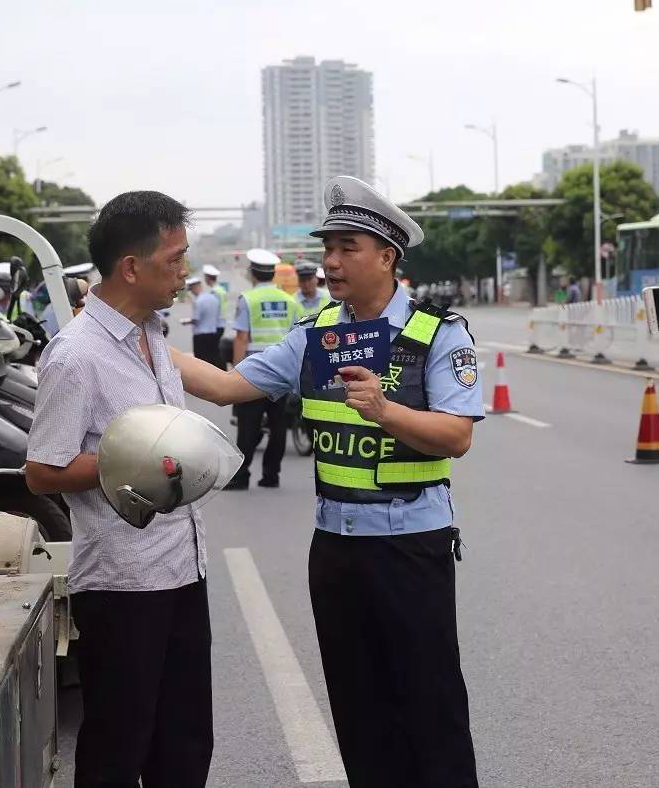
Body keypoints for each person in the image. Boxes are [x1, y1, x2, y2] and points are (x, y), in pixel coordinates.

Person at [169, 175, 483, 787]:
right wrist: (137, 334)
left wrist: (386, 410)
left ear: (387, 256)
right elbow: (228, 385)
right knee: (357, 707)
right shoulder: (316, 334)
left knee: (429, 702)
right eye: (327, 250)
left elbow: (457, 436)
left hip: (410, 546)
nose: (331, 263)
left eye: (347, 248)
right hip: (335, 548)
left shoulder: (437, 335)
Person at [24, 191, 212, 788]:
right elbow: (42, 472)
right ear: (132, 266)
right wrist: (134, 457)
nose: (184, 271)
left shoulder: (153, 336)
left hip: (183, 565)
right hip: (123, 580)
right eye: (175, 259)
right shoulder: (75, 355)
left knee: (184, 742)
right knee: (118, 742)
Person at [224, 248, 301, 490]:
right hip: (283, 372)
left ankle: (241, 476)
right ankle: (271, 476)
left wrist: (234, 375)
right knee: (278, 426)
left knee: (248, 425)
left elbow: (241, 338)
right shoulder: (290, 300)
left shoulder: (248, 299)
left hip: (254, 373)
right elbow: (296, 336)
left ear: (252, 273)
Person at [182, 274, 223, 368]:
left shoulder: (198, 301)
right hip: (213, 333)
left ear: (195, 287)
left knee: (200, 363)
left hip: (200, 336)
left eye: (191, 289)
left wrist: (185, 321)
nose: (191, 292)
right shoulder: (214, 298)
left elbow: (196, 319)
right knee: (213, 360)